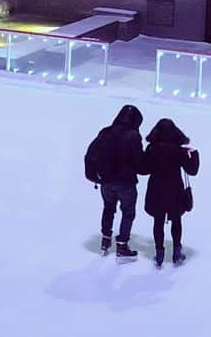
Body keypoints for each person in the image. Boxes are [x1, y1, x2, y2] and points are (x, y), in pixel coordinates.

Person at [84, 105, 148, 259]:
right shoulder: (133, 136)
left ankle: (105, 240)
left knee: (108, 208)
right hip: (126, 183)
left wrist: (94, 174)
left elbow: (92, 153)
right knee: (128, 213)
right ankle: (122, 245)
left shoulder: (106, 132)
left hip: (106, 181)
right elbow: (139, 163)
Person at [144, 118, 200, 268]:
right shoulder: (179, 150)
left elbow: (144, 169)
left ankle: (159, 254)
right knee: (176, 220)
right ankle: (176, 253)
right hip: (175, 189)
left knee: (158, 221)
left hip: (156, 188)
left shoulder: (152, 149)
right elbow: (192, 170)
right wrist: (194, 154)